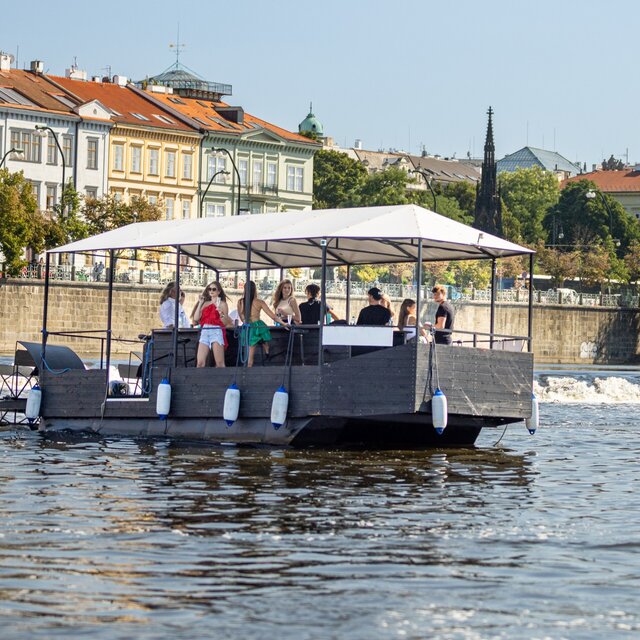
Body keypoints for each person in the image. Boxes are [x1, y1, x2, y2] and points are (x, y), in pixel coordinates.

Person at [238, 281, 279, 367]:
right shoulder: (258, 302)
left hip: (250, 326)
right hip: (255, 326)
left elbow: (241, 316)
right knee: (260, 336)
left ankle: (264, 345)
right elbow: (272, 316)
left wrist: (245, 320)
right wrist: (283, 323)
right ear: (255, 290)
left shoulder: (241, 302)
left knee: (249, 355)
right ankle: (265, 346)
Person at [192, 282, 229, 368]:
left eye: (214, 289)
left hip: (216, 330)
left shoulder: (223, 304)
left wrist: (221, 313)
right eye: (209, 289)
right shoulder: (205, 303)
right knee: (200, 362)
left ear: (219, 291)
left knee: (219, 363)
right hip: (205, 330)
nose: (211, 291)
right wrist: (200, 303)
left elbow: (225, 322)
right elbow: (196, 318)